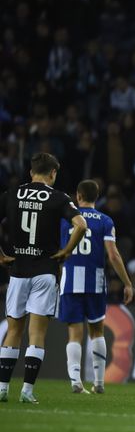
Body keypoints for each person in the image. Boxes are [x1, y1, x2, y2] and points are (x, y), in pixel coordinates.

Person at [0, 153, 87, 403]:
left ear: (31, 172)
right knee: (37, 334)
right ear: (53, 174)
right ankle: (27, 391)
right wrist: (66, 252)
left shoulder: (12, 194)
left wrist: (1, 254)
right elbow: (81, 225)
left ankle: (3, 388)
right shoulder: (58, 197)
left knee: (13, 330)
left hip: (18, 270)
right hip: (45, 272)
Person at [59, 179, 134, 394]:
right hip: (96, 281)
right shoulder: (105, 220)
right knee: (97, 331)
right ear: (97, 197)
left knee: (74, 331)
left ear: (78, 196)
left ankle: (75, 381)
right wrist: (127, 282)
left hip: (71, 279)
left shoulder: (67, 219)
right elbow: (113, 254)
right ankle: (99, 382)